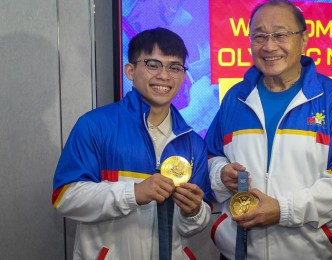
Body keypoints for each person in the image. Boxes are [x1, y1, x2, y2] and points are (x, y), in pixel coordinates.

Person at [205, 1, 332, 259]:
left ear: (303, 40)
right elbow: (211, 155)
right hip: (239, 252)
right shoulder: (236, 98)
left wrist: (284, 210)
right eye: (259, 36)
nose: (269, 46)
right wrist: (221, 174)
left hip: (310, 253)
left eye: (280, 35)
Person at [52, 27, 212, 260]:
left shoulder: (193, 143)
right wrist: (133, 193)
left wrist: (194, 212)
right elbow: (64, 198)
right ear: (130, 70)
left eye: (174, 67)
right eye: (153, 64)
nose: (164, 75)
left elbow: (191, 226)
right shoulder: (95, 126)